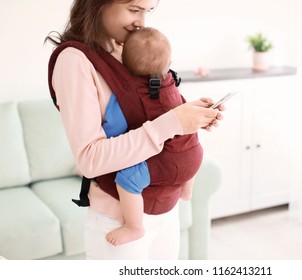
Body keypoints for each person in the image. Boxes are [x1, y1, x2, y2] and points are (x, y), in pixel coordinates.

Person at [46, 0, 224, 260]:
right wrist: (173, 123)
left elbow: (148, 114)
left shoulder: (130, 46)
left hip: (166, 209)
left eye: (147, 11)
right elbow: (90, 159)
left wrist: (191, 116)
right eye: (133, 9)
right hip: (118, 220)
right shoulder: (75, 60)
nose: (141, 21)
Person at [103, 26, 202, 246]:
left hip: (165, 164)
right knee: (191, 144)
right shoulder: (173, 86)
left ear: (125, 65)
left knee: (127, 180)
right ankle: (187, 187)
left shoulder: (126, 94)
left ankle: (133, 226)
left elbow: (113, 127)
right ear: (169, 63)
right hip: (194, 158)